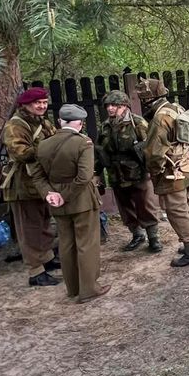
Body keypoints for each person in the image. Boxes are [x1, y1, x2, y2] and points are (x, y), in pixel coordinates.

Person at [35, 104, 109, 303]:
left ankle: (73, 288)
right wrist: (65, 195)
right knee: (87, 244)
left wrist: (50, 194)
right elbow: (84, 176)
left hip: (57, 203)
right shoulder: (83, 143)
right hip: (82, 200)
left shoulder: (43, 144)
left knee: (66, 244)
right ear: (80, 123)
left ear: (60, 121)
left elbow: (36, 175)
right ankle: (89, 289)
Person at [138, 79, 189, 269]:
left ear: (147, 99)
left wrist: (155, 171)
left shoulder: (159, 118)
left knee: (177, 211)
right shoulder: (176, 107)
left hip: (173, 171)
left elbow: (154, 153)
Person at [0, 87, 61, 287]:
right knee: (30, 228)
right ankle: (36, 272)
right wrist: (48, 148)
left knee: (43, 222)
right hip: (22, 185)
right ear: (26, 105)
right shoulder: (15, 125)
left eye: (44, 102)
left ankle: (46, 259)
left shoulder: (42, 122)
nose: (42, 106)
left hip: (39, 182)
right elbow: (19, 152)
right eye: (38, 103)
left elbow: (55, 138)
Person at [96, 90, 164, 253]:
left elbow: (150, 147)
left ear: (124, 106)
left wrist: (153, 169)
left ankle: (153, 238)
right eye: (109, 106)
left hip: (137, 172)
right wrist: (97, 173)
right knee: (125, 207)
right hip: (116, 173)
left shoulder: (137, 123)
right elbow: (100, 151)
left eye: (115, 105)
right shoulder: (105, 126)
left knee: (145, 205)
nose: (111, 109)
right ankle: (137, 235)